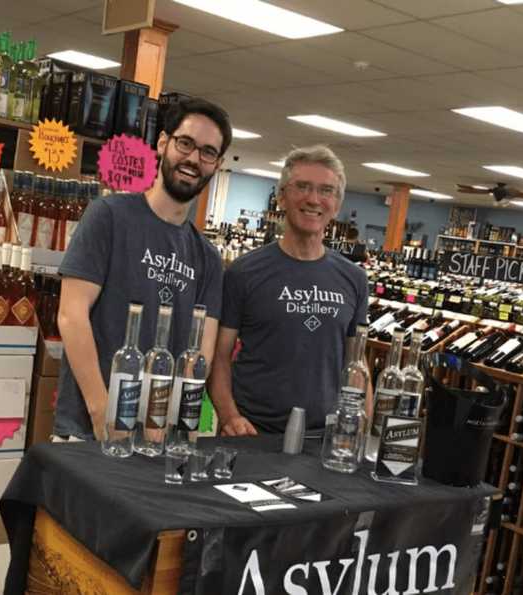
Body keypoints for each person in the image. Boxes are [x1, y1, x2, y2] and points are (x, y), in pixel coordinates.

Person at [54, 98, 232, 441]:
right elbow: (71, 315)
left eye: (208, 152)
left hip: (159, 439)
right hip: (89, 432)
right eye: (186, 143)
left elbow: (203, 350)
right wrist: (99, 408)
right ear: (163, 143)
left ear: (217, 164)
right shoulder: (108, 216)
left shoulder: (208, 257)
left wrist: (181, 419)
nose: (194, 159)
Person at [209, 145, 369, 435]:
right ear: (282, 196)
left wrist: (362, 429)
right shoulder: (243, 272)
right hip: (253, 433)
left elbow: (356, 362)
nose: (313, 199)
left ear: (336, 205)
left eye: (326, 191)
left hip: (323, 439)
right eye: (302, 187)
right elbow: (219, 356)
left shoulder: (354, 278)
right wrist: (229, 416)